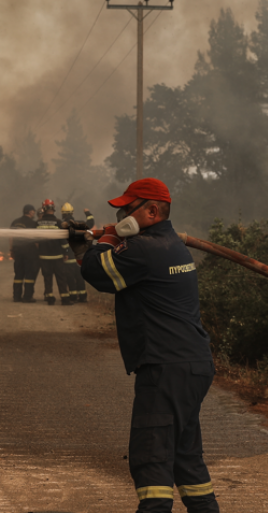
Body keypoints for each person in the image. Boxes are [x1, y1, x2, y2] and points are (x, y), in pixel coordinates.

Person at [72, 178, 220, 513]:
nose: (121, 214)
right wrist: (89, 248)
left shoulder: (144, 249)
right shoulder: (169, 245)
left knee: (151, 462)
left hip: (165, 370)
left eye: (127, 208)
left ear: (151, 211)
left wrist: (104, 239)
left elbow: (98, 273)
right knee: (186, 460)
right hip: (191, 366)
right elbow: (102, 271)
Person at [36, 199, 72, 306]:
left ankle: (49, 298)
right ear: (53, 209)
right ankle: (65, 299)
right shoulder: (58, 223)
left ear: (44, 209)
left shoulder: (38, 223)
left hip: (44, 256)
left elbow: (35, 239)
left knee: (47, 278)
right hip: (57, 256)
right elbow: (63, 240)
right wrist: (66, 252)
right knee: (61, 277)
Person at [59, 203, 94, 303]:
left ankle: (73, 296)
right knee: (79, 277)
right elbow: (91, 223)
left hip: (69, 256)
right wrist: (88, 213)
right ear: (72, 212)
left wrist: (63, 252)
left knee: (70, 277)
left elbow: (61, 241)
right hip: (79, 256)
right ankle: (83, 297)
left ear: (63, 214)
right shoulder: (80, 223)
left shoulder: (62, 225)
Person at [8, 204, 39, 303]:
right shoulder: (33, 223)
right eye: (33, 212)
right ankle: (27, 297)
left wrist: (11, 250)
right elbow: (35, 240)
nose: (34, 213)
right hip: (29, 252)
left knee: (18, 274)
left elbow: (11, 237)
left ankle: (16, 296)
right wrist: (38, 251)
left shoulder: (15, 222)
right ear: (30, 212)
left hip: (18, 251)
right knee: (29, 275)